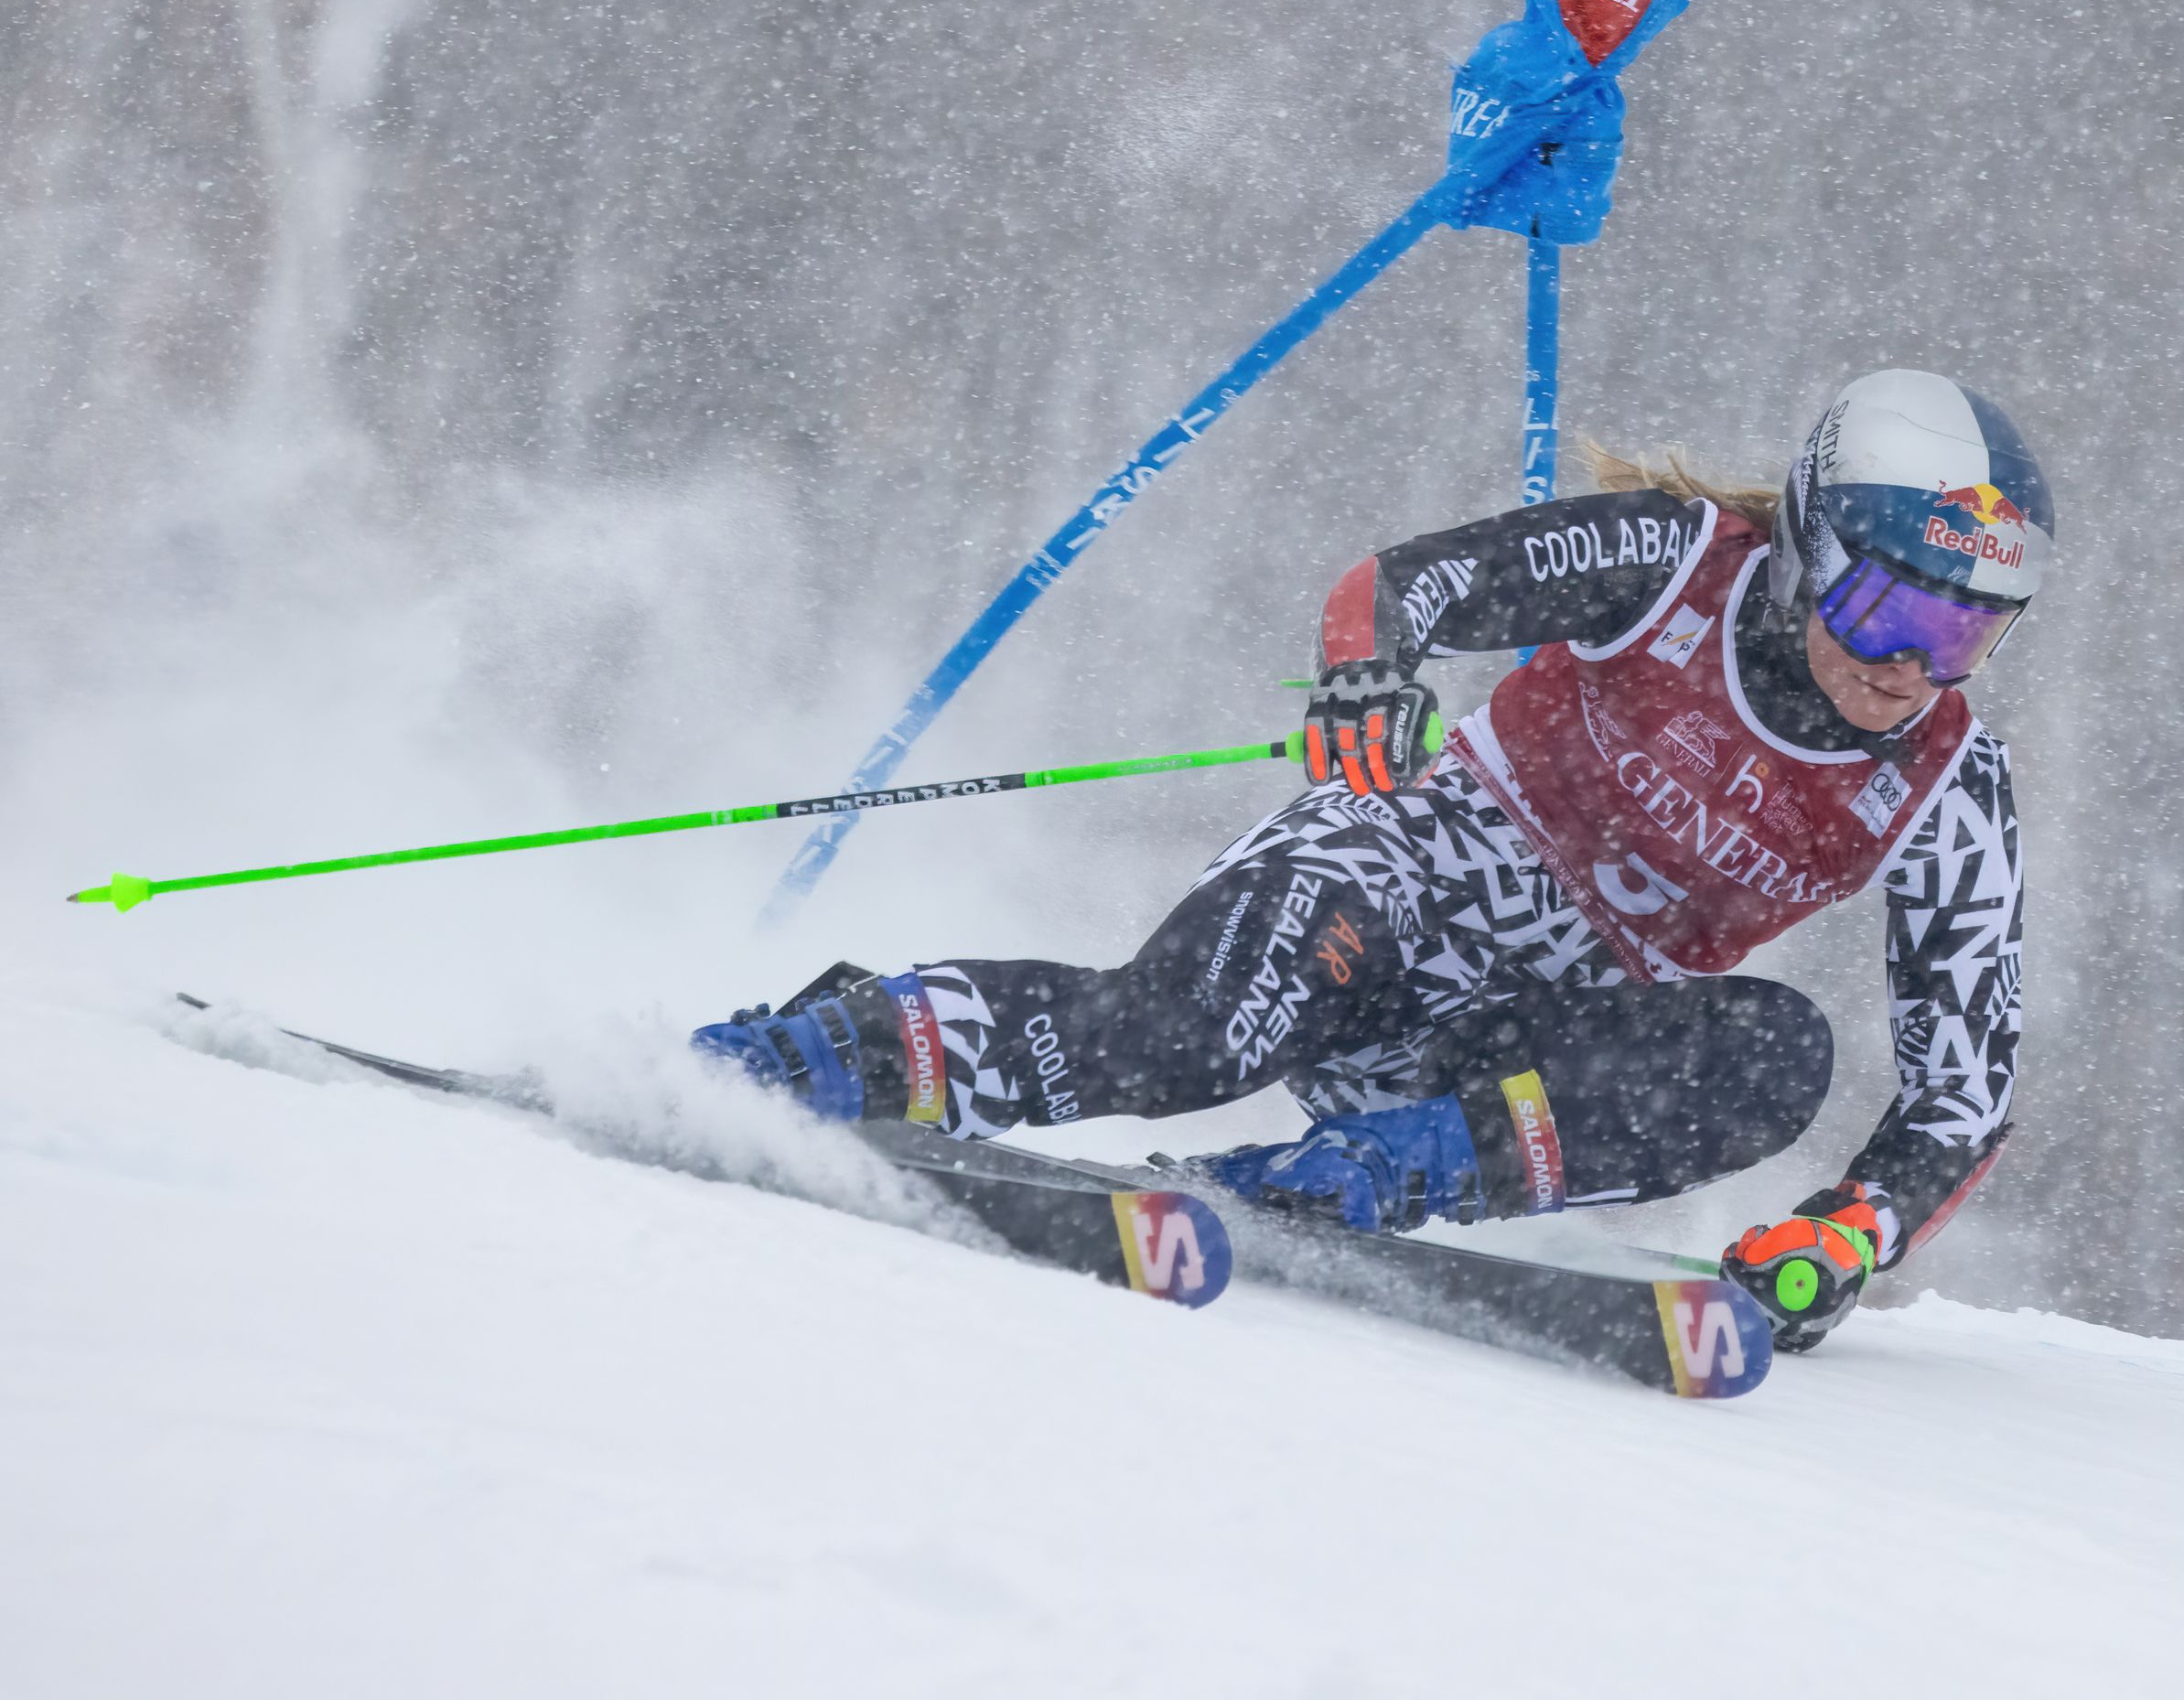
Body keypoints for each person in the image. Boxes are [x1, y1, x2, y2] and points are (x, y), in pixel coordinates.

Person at [694, 368, 2043, 1354]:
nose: (1904, 668)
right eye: (1885, 609)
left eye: (1963, 636)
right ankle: (849, 1046)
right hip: (1406, 875)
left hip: (1519, 1043)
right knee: (1187, 1044)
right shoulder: (1681, 562)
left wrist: (1853, 1231)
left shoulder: (1947, 781)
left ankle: (1377, 1172)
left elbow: (1961, 1098)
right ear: (1812, 547)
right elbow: (1407, 588)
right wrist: (1369, 679)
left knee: (1778, 1051)